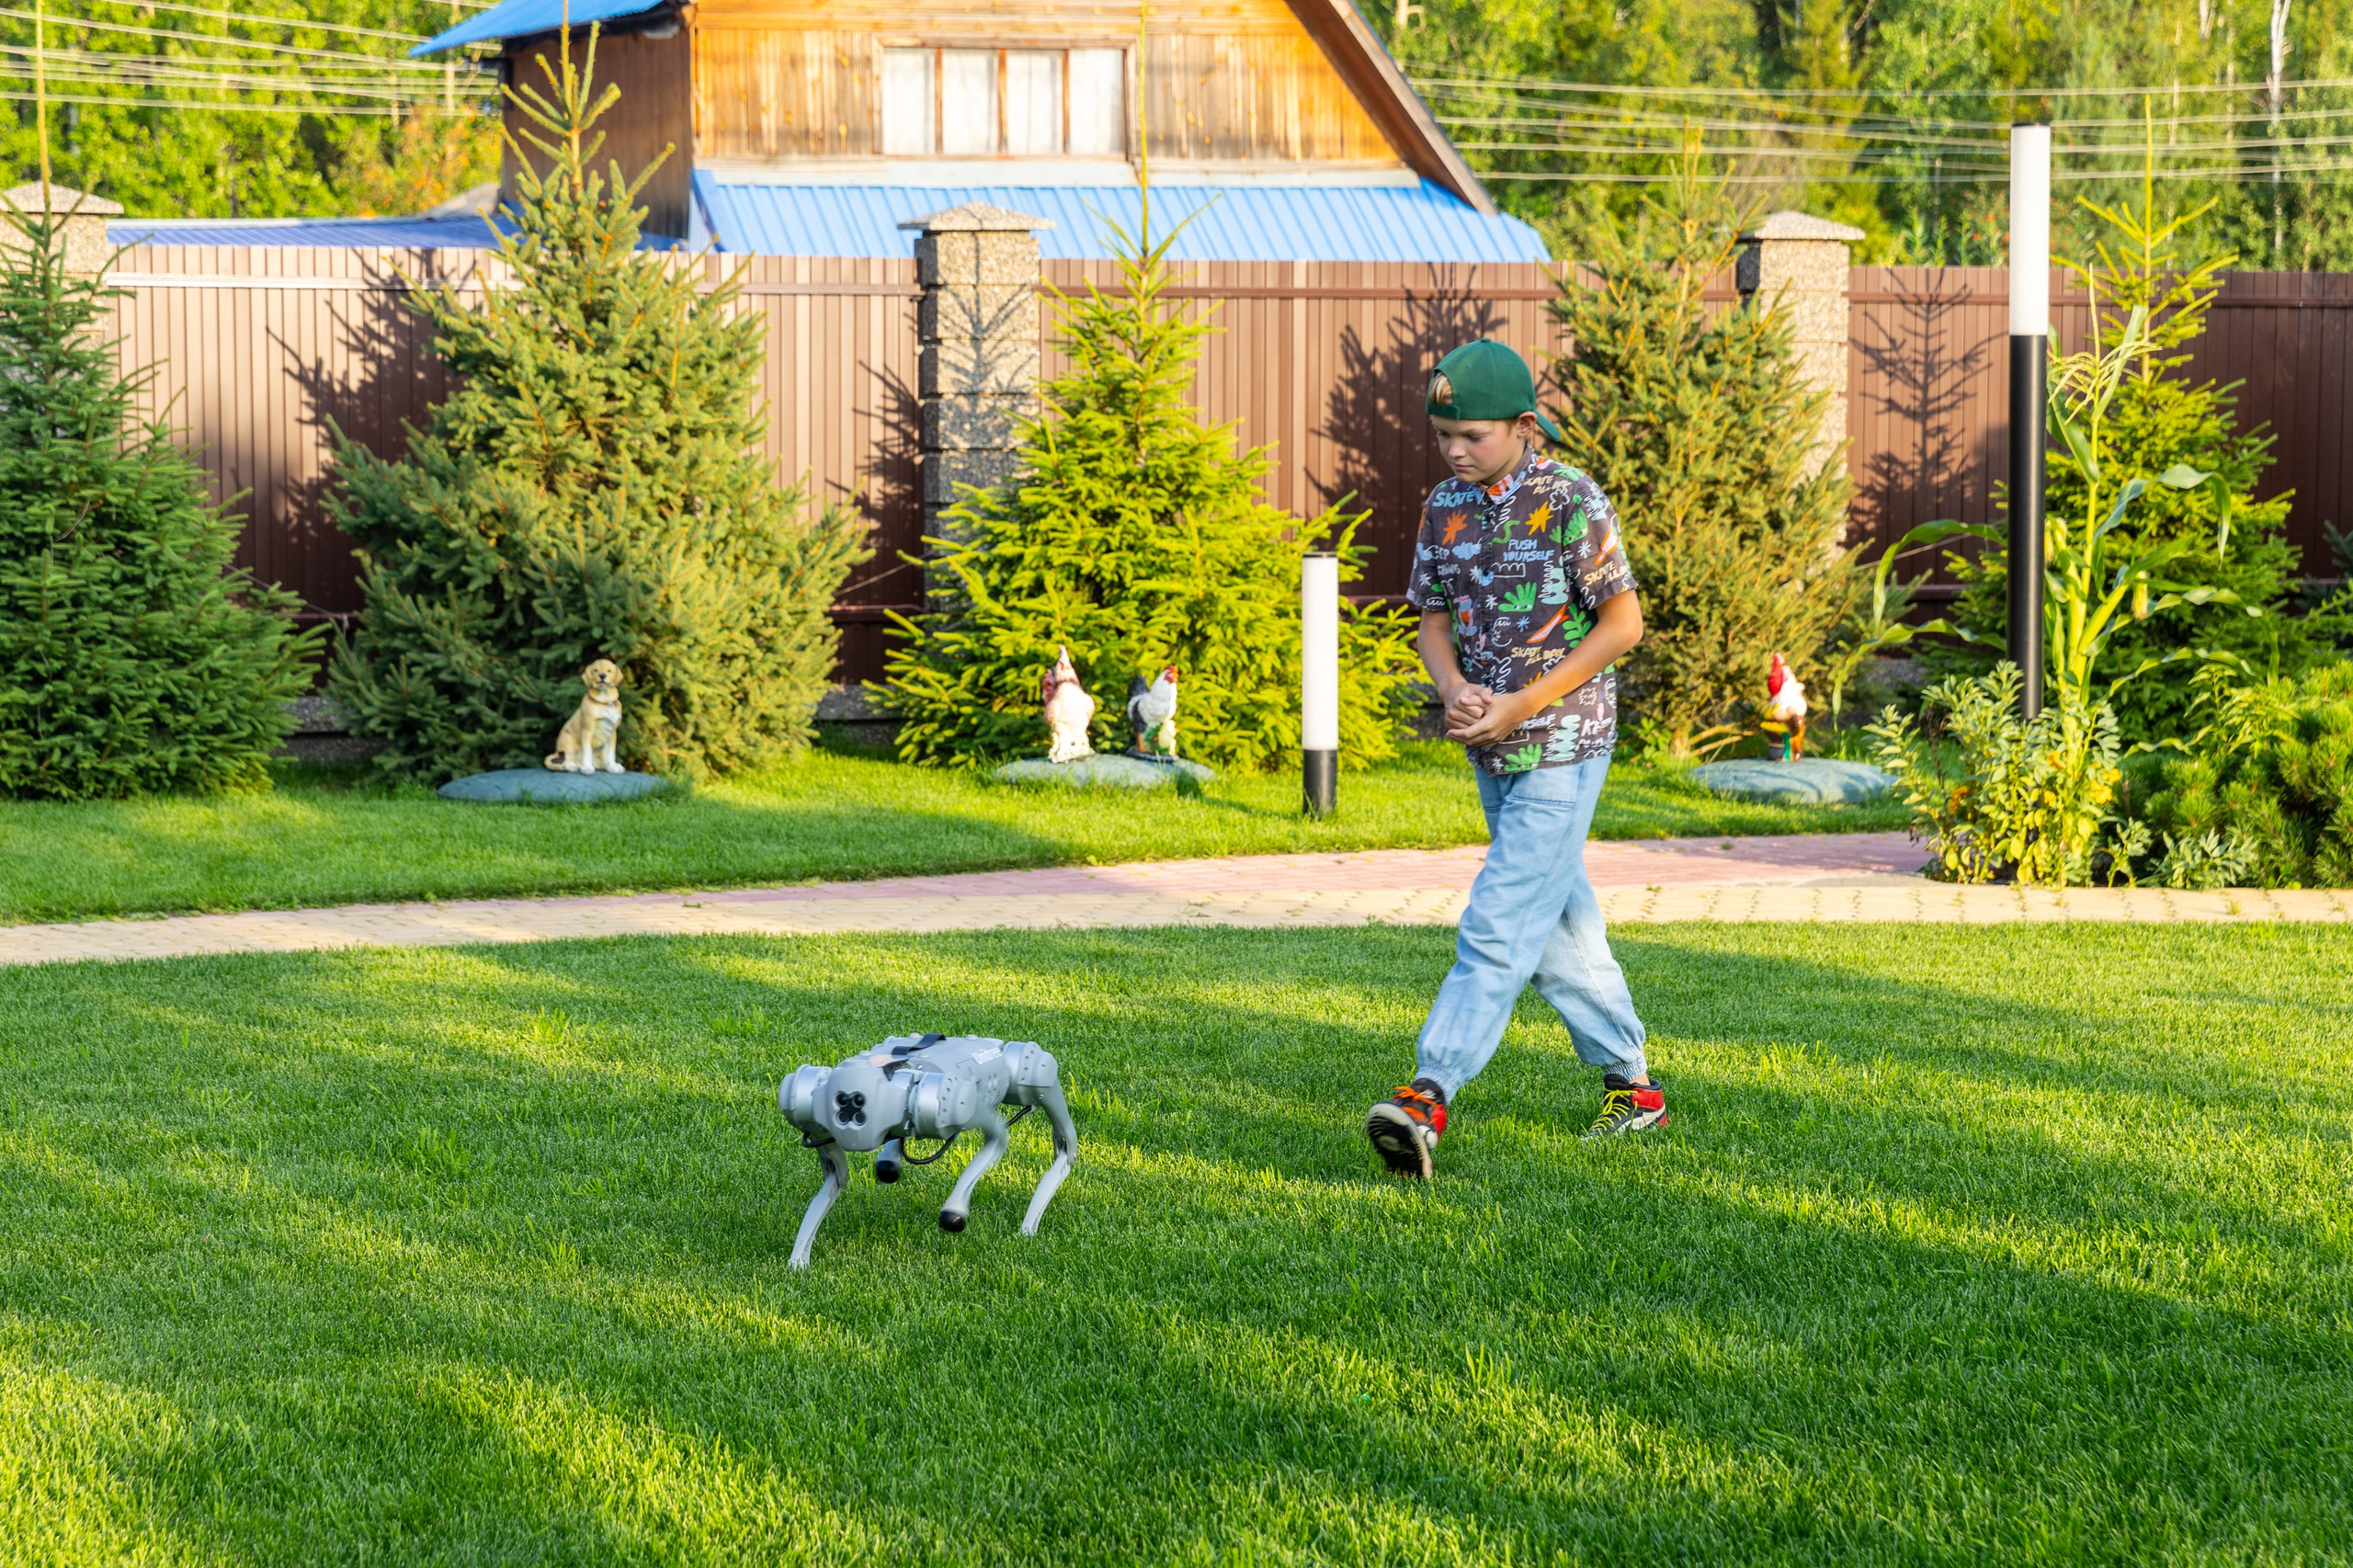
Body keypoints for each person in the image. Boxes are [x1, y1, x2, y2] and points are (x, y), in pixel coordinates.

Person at [1364, 339, 1665, 1179]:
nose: (1456, 450)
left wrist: (1521, 704)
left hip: (1563, 741)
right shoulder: (1444, 507)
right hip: (1491, 743)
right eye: (1445, 435)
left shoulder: (1572, 498)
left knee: (1499, 921)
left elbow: (1622, 625)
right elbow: (1431, 620)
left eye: (1474, 435)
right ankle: (1633, 1088)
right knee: (1557, 924)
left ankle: (1429, 1092)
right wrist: (1455, 686)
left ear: (1524, 427)